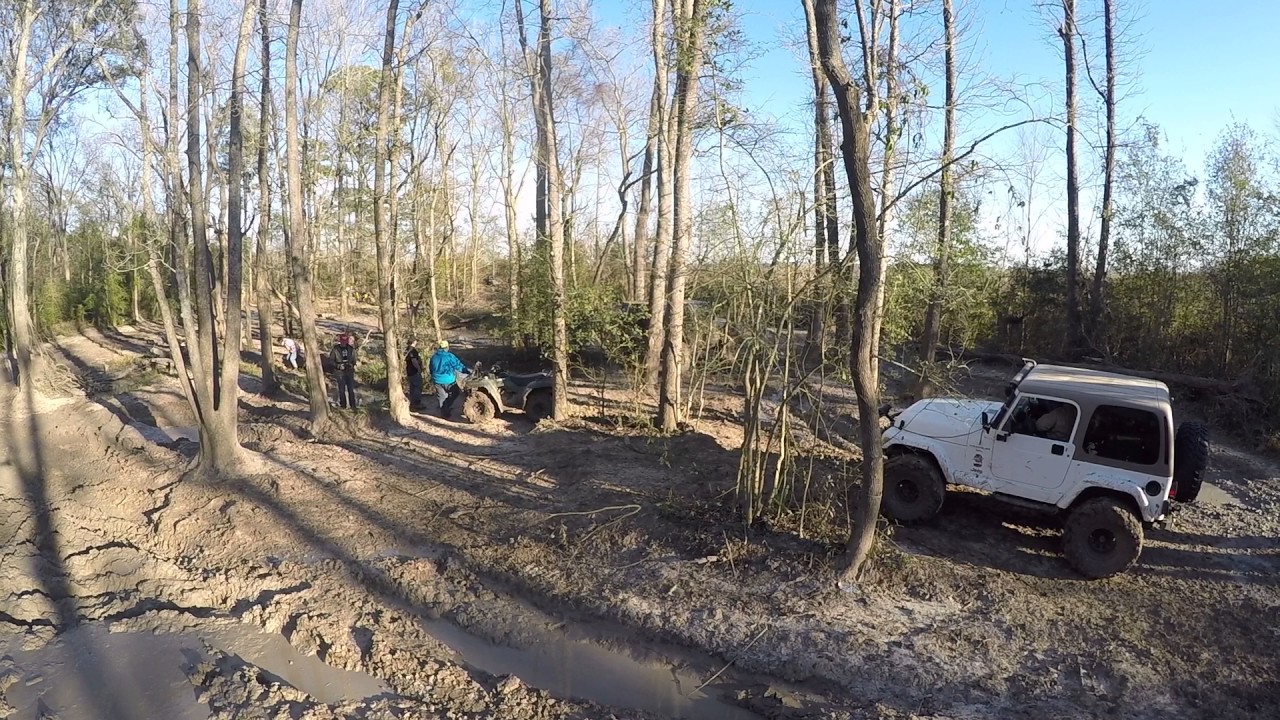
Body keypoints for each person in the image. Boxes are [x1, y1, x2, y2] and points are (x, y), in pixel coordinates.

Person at [429, 339, 469, 419]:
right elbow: (457, 365)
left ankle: (444, 413)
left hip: (436, 380)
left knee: (441, 396)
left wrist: (433, 376)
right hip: (448, 380)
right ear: (447, 347)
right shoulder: (449, 356)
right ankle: (446, 406)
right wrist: (465, 371)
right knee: (455, 393)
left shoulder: (434, 357)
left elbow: (431, 368)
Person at [330, 332, 358, 409]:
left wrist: (352, 364)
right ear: (340, 341)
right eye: (343, 342)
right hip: (340, 372)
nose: (344, 343)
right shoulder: (335, 349)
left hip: (349, 371)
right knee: (341, 390)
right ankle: (343, 405)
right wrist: (338, 366)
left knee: (350, 389)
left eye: (345, 342)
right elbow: (331, 361)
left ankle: (353, 406)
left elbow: (354, 359)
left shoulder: (351, 349)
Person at [405, 338, 424, 411]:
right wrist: (419, 369)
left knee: (412, 387)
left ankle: (413, 402)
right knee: (417, 387)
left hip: (409, 371)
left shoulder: (407, 350)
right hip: (414, 371)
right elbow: (414, 361)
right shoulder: (412, 351)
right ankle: (416, 403)